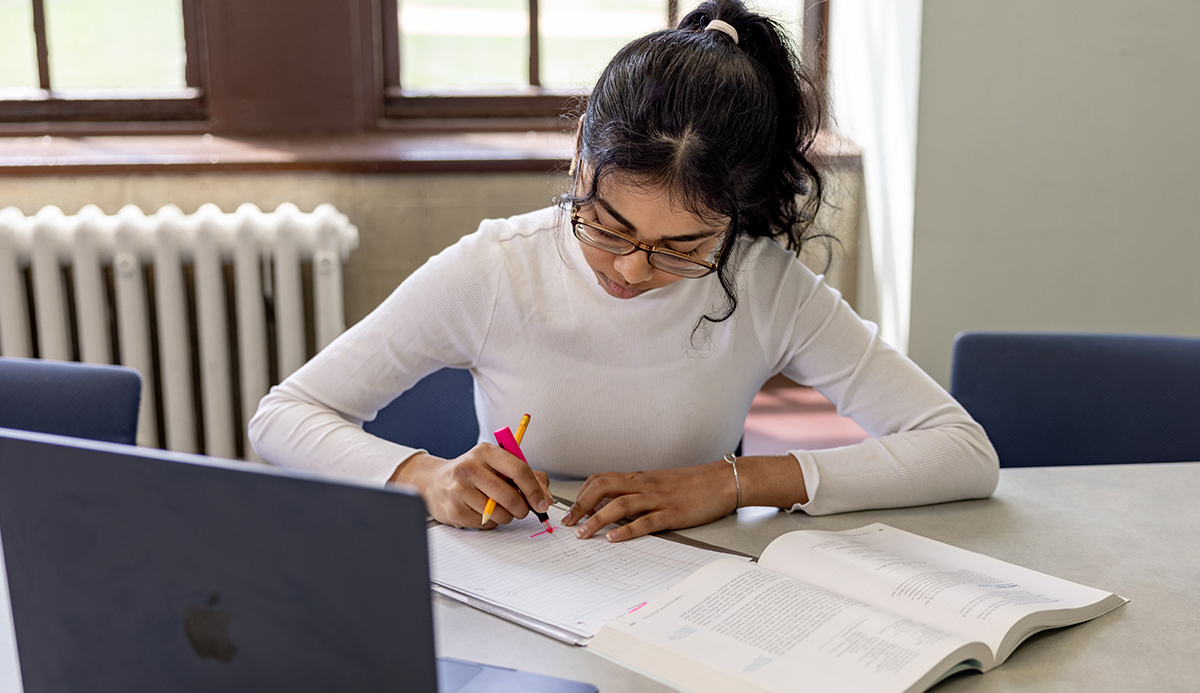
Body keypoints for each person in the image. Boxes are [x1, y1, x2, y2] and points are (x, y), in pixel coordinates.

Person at [249, 0, 998, 543]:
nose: (633, 269)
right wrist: (426, 476)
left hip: (695, 597)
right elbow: (282, 417)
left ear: (741, 212)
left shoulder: (763, 283)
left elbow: (961, 451)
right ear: (582, 152)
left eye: (684, 246)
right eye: (607, 224)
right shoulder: (498, 269)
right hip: (527, 589)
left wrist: (736, 480)